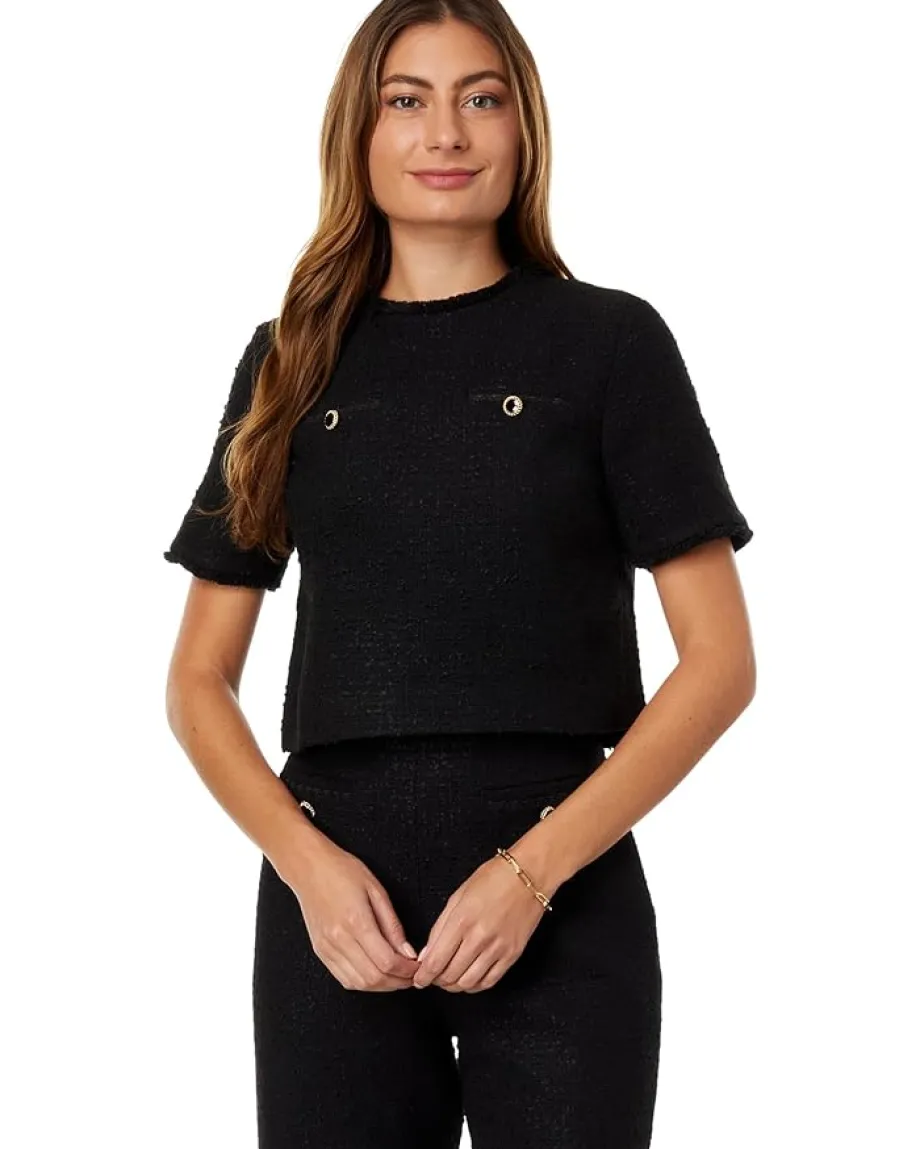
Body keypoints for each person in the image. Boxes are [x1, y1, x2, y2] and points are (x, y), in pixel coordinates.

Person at [163, 2, 756, 1146]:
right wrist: (306, 868)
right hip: (335, 903)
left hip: (560, 888)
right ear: (359, 130)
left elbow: (720, 663)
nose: (444, 133)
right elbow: (196, 681)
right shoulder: (288, 362)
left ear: (523, 128)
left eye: (479, 99)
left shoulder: (608, 345)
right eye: (407, 101)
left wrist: (529, 875)